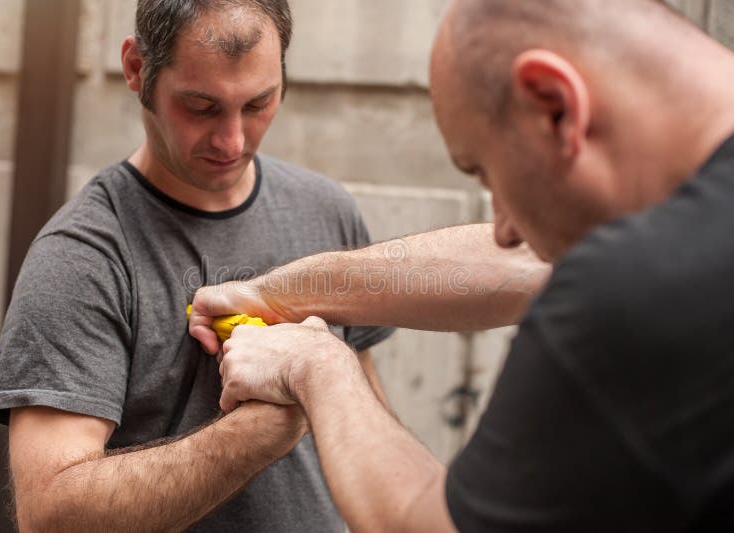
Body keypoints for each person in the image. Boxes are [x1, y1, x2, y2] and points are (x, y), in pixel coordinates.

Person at [189, 0, 734, 530]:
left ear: (556, 105)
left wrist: (318, 366)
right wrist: (279, 292)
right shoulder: (693, 234)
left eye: (488, 174)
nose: (502, 227)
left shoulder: (645, 286)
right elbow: (522, 262)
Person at [0, 1, 408, 531]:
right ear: (138, 69)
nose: (233, 141)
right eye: (200, 106)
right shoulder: (81, 256)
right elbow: (51, 516)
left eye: (259, 102)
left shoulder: (326, 210)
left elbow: (368, 420)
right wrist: (263, 428)